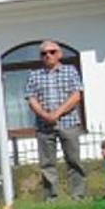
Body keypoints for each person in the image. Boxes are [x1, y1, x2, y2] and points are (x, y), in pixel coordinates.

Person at [25, 41, 87, 200]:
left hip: (69, 123)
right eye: (44, 53)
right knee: (47, 164)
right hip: (43, 126)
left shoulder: (70, 71)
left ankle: (77, 196)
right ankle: (51, 197)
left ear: (59, 54)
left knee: (73, 160)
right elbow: (31, 99)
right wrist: (45, 115)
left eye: (52, 52)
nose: (48, 55)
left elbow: (76, 96)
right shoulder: (34, 75)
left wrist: (57, 113)